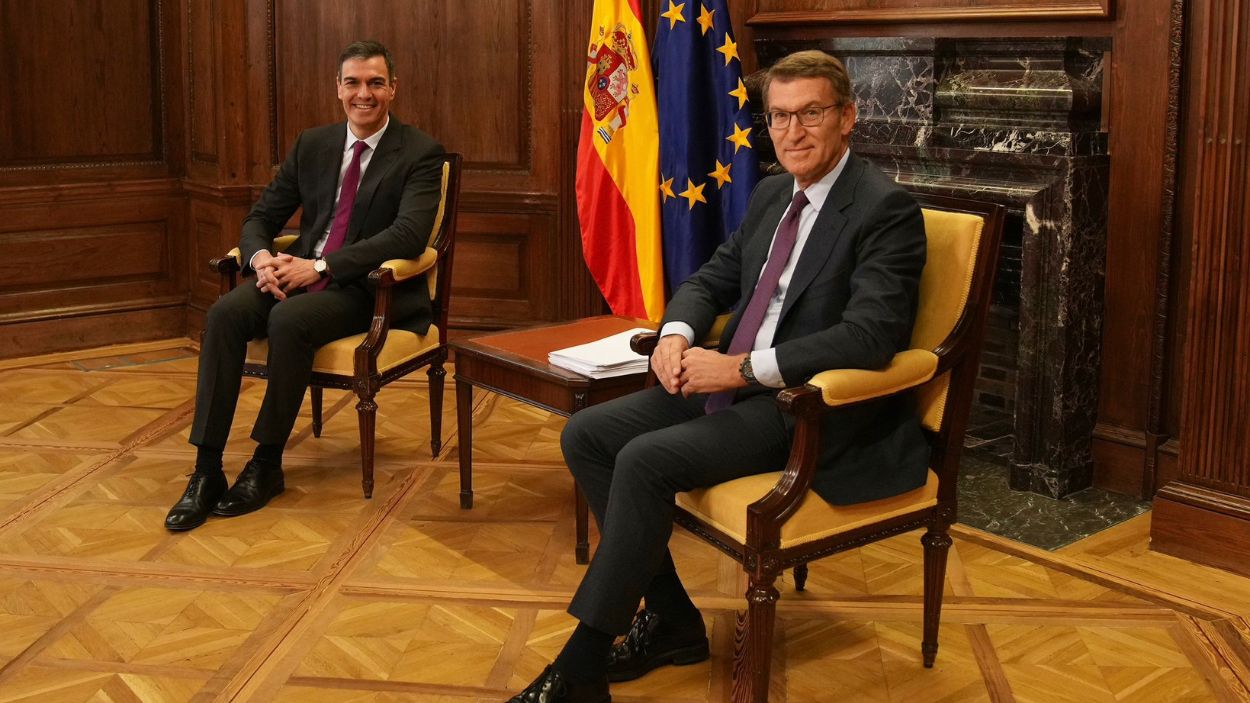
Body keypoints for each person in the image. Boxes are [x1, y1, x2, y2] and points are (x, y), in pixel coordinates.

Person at [511, 50, 929, 702]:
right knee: (588, 435)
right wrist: (676, 337)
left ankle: (581, 667)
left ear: (848, 117)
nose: (792, 132)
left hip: (803, 407)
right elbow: (712, 277)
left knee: (645, 459)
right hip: (729, 386)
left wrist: (737, 366)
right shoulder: (769, 193)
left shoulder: (885, 210)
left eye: (811, 114)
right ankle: (676, 621)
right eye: (780, 117)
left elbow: (870, 336)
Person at [164, 40, 446, 531]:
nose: (365, 93)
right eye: (354, 82)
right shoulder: (313, 144)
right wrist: (262, 259)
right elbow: (262, 215)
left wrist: (321, 267)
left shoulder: (420, 152)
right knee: (225, 314)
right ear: (338, 89)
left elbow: (408, 234)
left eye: (375, 82)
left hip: (366, 287)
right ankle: (206, 469)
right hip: (295, 271)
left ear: (393, 89)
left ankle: (266, 463)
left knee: (288, 318)